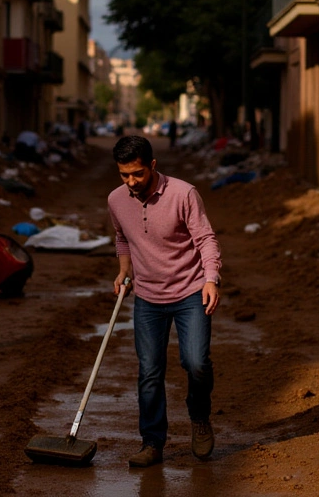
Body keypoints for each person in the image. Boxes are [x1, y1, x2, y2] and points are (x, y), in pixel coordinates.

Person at [108, 135, 222, 467]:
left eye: (138, 174)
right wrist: (124, 270)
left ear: (153, 166)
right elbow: (121, 237)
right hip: (147, 298)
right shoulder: (116, 199)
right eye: (124, 175)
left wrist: (211, 279)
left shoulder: (183, 193)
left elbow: (205, 239)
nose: (131, 182)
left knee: (196, 363)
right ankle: (152, 441)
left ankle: (199, 417)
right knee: (149, 372)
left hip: (190, 292)